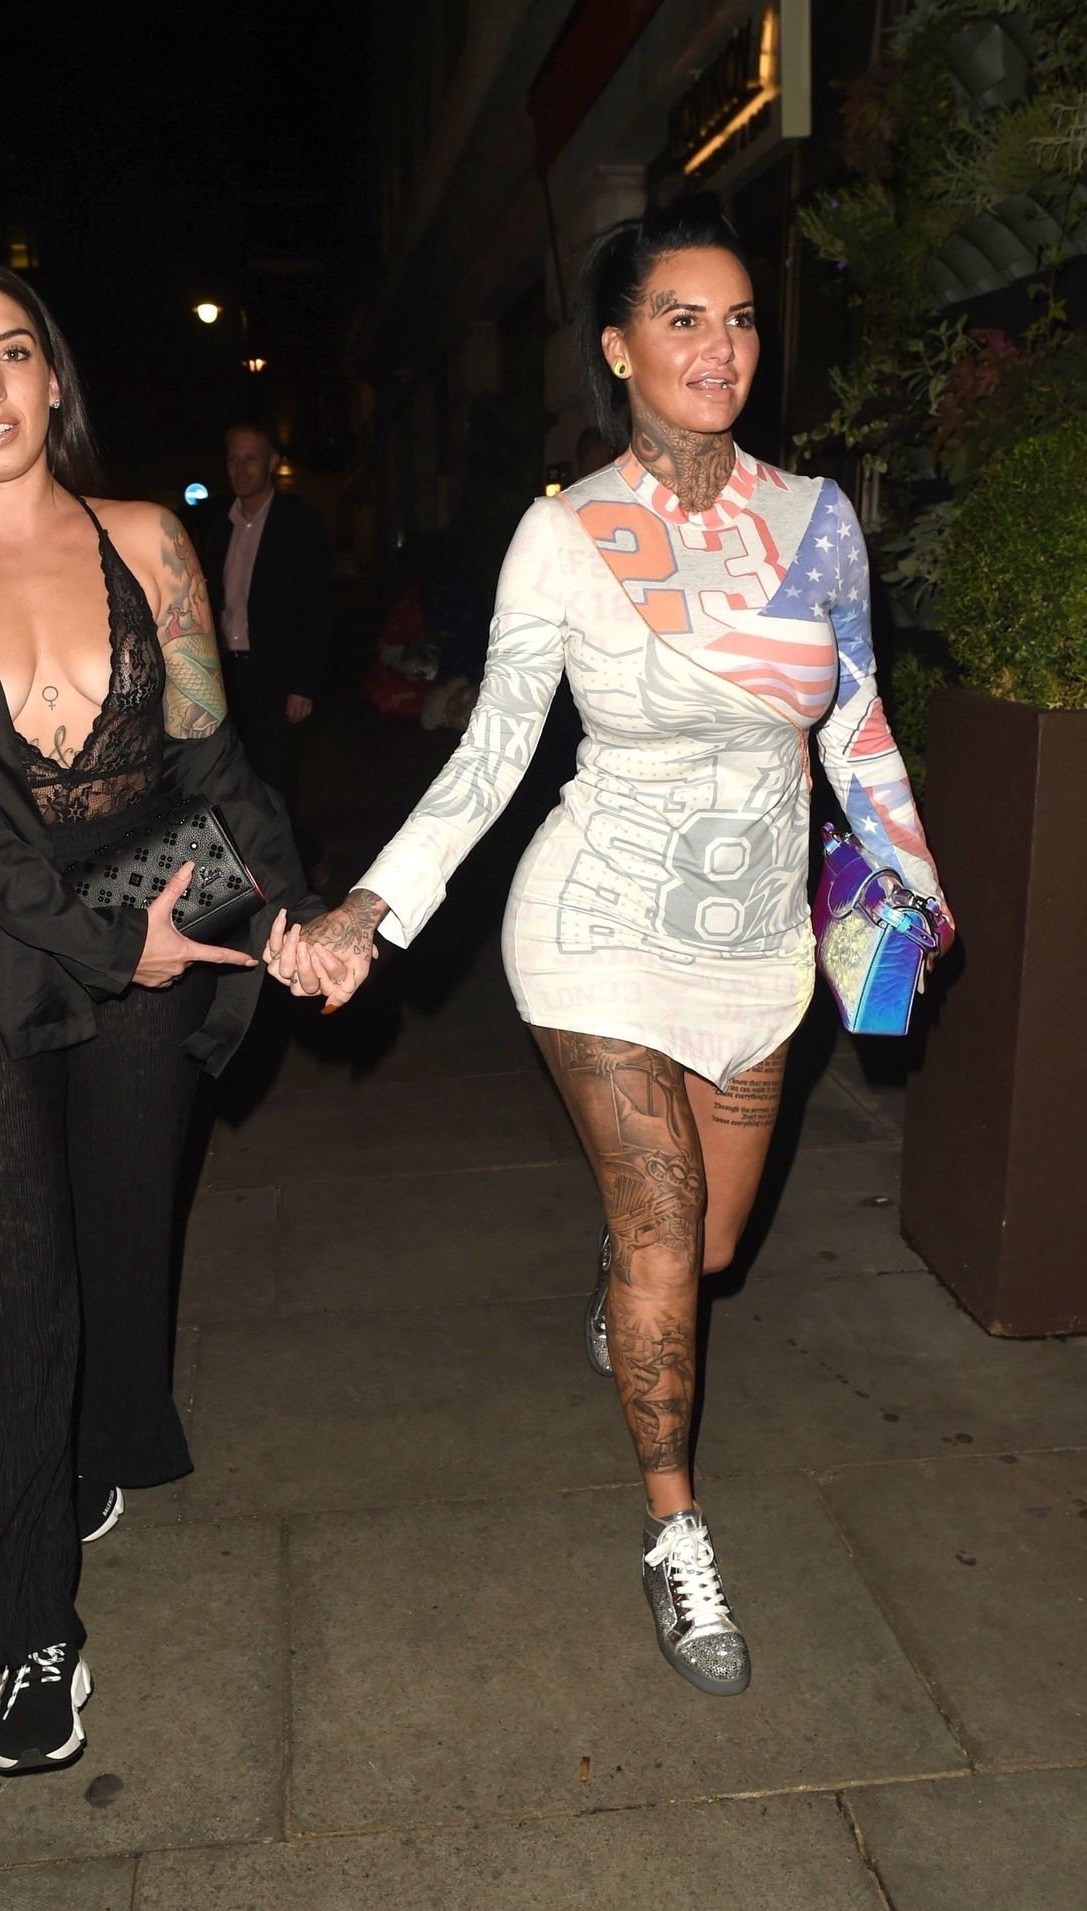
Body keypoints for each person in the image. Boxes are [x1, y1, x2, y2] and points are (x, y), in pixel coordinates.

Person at [265, 196, 953, 1697]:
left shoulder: (814, 520)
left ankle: (619, 1283)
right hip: (597, 925)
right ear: (620, 348)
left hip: (757, 938)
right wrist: (371, 907)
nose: (720, 347)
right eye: (682, 318)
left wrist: (907, 877)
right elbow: (492, 751)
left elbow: (854, 720)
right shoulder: (565, 533)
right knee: (660, 1230)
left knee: (703, 1249)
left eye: (739, 318)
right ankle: (674, 1530)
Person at [0, 262, 322, 1776]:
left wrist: (294, 915)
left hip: (150, 897)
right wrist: (120, 945)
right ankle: (30, 1619)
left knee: (124, 1227)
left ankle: (107, 1438)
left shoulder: (147, 540)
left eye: (13, 353)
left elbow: (212, 763)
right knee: (10, 1285)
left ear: (54, 379)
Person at [201, 422, 331, 806]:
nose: (240, 468)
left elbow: (316, 607)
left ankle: (283, 844)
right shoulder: (219, 526)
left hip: (274, 674)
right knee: (229, 781)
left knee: (274, 782)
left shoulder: (299, 524)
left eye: (250, 459)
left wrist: (303, 684)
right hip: (227, 676)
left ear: (271, 462)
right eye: (233, 459)